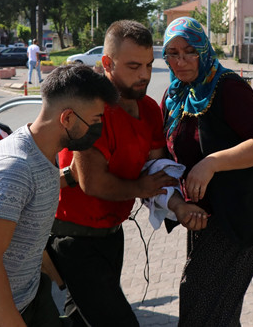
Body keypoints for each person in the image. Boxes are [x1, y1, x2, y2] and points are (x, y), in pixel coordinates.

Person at [48, 20, 207, 326]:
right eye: (133, 66)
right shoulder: (92, 109)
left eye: (149, 64)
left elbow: (158, 171)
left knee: (81, 319)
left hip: (111, 234)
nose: (145, 75)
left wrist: (179, 206)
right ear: (107, 63)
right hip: (74, 239)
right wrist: (141, 187)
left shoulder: (148, 108)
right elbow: (93, 182)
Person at [0, 64, 119, 327]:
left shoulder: (43, 152)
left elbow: (27, 228)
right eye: (95, 120)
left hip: (28, 298)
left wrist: (57, 282)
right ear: (67, 118)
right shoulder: (14, 169)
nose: (99, 127)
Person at [161, 17, 253, 326]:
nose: (181, 61)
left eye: (189, 51)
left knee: (203, 307)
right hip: (203, 218)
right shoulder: (174, 96)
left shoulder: (228, 87)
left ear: (204, 50)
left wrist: (211, 163)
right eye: (172, 53)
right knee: (213, 309)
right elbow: (164, 158)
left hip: (241, 214)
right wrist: (179, 205)